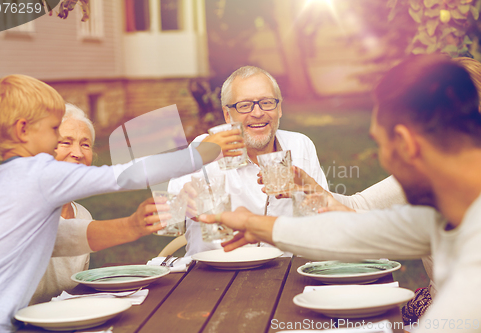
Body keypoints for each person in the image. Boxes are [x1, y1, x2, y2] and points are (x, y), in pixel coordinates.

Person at [200, 55, 481, 332]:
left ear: (408, 145)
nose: (382, 160)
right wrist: (254, 224)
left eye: (379, 144)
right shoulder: (443, 211)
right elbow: (357, 232)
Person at [0, 74, 244, 332]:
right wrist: (198, 154)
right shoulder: (38, 173)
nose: (54, 141)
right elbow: (124, 175)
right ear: (23, 130)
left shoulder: (2, 180)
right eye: (53, 130)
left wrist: (132, 225)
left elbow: (56, 235)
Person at [167, 66, 328, 256]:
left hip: (288, 272)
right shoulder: (205, 147)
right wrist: (185, 201)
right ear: (228, 115)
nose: (258, 113)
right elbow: (171, 211)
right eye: (244, 105)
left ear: (279, 108)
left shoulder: (300, 145)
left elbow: (324, 216)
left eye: (267, 102)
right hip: (218, 272)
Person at [30, 104, 172, 304]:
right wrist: (132, 226)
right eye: (65, 142)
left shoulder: (82, 215)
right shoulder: (24, 210)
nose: (78, 153)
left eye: (85, 144)